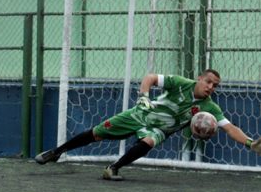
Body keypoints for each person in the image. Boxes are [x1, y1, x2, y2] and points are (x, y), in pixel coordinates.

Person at [35, 69, 261, 180]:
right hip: (142, 113)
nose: (211, 87)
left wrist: (250, 143)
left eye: (216, 85)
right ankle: (56, 152)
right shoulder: (181, 83)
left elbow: (230, 128)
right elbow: (151, 77)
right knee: (97, 133)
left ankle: (113, 168)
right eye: (209, 82)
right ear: (199, 79)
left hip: (159, 129)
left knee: (150, 140)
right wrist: (144, 95)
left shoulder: (210, 108)